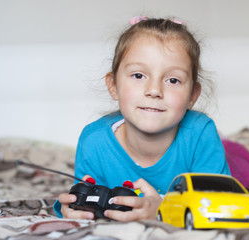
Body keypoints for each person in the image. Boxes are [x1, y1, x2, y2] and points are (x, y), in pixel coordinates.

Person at [54, 16, 230, 221]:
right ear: (113, 86)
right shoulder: (93, 140)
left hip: (208, 148)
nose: (154, 90)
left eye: (173, 80)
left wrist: (163, 209)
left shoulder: (201, 133)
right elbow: (86, 199)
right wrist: (70, 207)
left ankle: (232, 149)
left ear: (192, 95)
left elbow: (220, 204)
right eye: (138, 76)